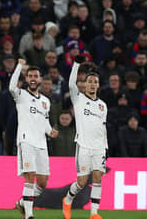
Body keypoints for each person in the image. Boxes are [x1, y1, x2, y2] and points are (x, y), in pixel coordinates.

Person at [9, 59, 58, 219]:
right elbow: (11, 87)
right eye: (30, 76)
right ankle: (29, 214)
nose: (33, 78)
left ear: (40, 79)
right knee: (29, 177)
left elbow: (44, 122)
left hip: (41, 144)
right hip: (26, 141)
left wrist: (50, 131)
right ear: (26, 78)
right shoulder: (21, 95)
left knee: (43, 183)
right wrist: (19, 67)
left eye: (35, 76)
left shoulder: (45, 101)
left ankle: (23, 202)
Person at [63, 55, 108, 219]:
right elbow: (70, 84)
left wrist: (106, 147)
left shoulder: (103, 105)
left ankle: (94, 213)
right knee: (81, 182)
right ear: (85, 84)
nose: (93, 84)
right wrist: (76, 64)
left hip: (99, 147)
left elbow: (103, 128)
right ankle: (67, 200)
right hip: (83, 145)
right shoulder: (78, 99)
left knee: (97, 179)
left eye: (95, 82)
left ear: (98, 85)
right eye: (90, 81)